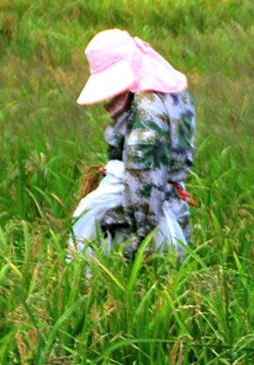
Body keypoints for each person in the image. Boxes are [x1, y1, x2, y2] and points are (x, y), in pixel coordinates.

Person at [70, 29, 195, 261]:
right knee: (175, 279)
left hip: (150, 218)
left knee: (144, 283)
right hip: (173, 209)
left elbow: (143, 177)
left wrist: (138, 237)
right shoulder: (172, 91)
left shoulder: (148, 108)